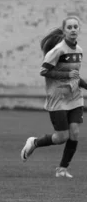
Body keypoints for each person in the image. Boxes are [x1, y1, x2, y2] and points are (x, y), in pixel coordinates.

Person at [21, 16, 87, 178]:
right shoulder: (57, 51)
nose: (73, 29)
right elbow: (43, 71)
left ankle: (62, 169)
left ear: (79, 30)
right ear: (64, 31)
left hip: (75, 97)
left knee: (75, 132)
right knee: (61, 137)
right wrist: (66, 73)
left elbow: (75, 76)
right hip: (57, 99)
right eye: (69, 27)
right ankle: (34, 142)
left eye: (75, 27)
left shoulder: (79, 50)